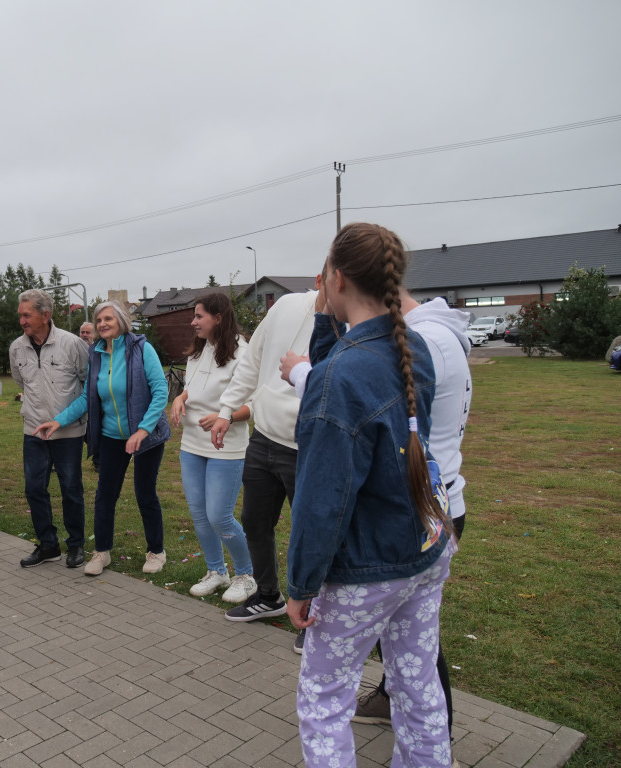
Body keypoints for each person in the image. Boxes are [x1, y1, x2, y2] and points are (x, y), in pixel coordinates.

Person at [285, 222, 454, 767]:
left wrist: (302, 583)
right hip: (424, 552)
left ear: (335, 277)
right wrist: (322, 313)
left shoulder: (340, 379)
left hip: (367, 569)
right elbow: (342, 363)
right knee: (416, 683)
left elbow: (321, 499)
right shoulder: (412, 350)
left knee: (324, 700)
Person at [36, 301, 170, 576]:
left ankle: (156, 551)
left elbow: (160, 391)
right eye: (99, 320)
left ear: (121, 320)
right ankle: (102, 552)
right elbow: (88, 397)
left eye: (108, 318)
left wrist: (142, 430)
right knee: (105, 495)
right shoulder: (96, 353)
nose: (102, 324)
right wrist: (59, 420)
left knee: (145, 493)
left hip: (145, 434)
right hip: (111, 436)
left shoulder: (141, 349)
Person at [209, 288, 317, 628]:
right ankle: (268, 596)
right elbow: (252, 362)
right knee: (255, 522)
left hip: (309, 447)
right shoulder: (286, 305)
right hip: (265, 437)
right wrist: (226, 409)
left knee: (311, 532)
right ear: (323, 277)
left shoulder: (352, 319)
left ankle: (314, 616)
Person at [169, 292, 256, 604]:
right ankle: (217, 571)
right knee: (199, 513)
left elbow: (253, 407)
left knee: (219, 515)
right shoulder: (200, 349)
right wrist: (180, 398)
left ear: (218, 317)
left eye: (199, 316)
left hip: (226, 447)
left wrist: (225, 417)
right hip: (192, 444)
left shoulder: (243, 353)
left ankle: (247, 575)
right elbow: (194, 388)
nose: (193, 322)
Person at [9, 289, 88, 568]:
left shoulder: (73, 344)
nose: (22, 321)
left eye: (27, 315)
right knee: (34, 489)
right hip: (34, 430)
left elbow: (86, 384)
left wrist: (63, 416)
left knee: (70, 488)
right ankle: (48, 545)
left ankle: (76, 545)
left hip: (68, 432)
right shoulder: (17, 347)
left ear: (46, 315)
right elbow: (22, 382)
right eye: (20, 315)